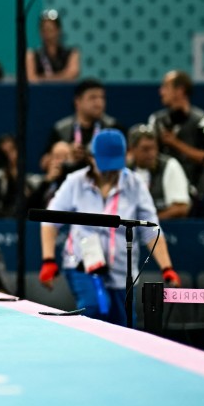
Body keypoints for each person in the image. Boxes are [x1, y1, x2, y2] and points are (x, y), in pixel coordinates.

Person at [39, 129, 180, 325]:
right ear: (91, 158)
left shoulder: (135, 185)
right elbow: (49, 221)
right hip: (82, 265)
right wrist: (48, 260)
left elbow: (151, 229)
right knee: (94, 308)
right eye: (105, 165)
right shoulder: (75, 182)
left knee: (125, 325)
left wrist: (167, 267)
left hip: (122, 272)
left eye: (114, 165)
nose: (110, 172)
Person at [147, 70, 204, 210]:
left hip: (195, 195)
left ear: (180, 90)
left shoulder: (201, 121)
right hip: (162, 196)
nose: (161, 92)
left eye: (165, 87)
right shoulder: (157, 121)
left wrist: (175, 143)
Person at [43, 78, 121, 170]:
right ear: (77, 101)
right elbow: (44, 163)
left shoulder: (113, 128)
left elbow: (127, 158)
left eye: (102, 97)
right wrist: (66, 154)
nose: (99, 103)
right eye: (93, 98)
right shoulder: (62, 129)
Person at [126, 125, 192, 220]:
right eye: (145, 149)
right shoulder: (125, 171)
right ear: (132, 149)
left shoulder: (170, 166)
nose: (151, 154)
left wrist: (148, 223)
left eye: (154, 148)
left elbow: (181, 208)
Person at [26, 9, 80, 83]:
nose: (48, 34)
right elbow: (31, 78)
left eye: (51, 30)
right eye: (44, 30)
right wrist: (61, 76)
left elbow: (72, 74)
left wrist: (43, 78)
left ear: (59, 30)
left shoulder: (72, 53)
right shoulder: (32, 54)